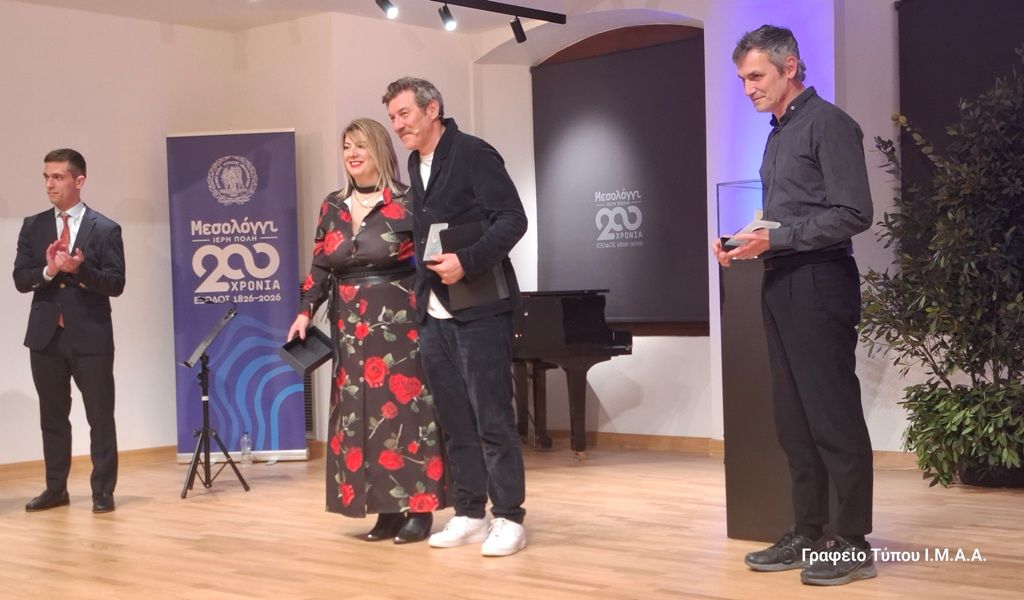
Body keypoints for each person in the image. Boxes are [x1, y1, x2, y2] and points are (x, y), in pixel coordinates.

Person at [712, 25, 876, 586]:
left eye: (756, 76)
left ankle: (851, 543)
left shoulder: (829, 124)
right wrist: (744, 238)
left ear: (790, 67)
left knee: (832, 416)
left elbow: (854, 213)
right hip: (781, 281)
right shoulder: (778, 133)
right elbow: (789, 215)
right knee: (794, 420)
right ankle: (808, 531)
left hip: (820, 283)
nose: (748, 89)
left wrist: (776, 239)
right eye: (742, 80)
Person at [383, 77, 529, 557]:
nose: (398, 125)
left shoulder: (473, 153)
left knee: (492, 419)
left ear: (432, 109)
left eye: (404, 114)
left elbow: (513, 219)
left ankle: (509, 517)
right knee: (455, 422)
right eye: (393, 117)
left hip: (480, 309)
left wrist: (467, 260)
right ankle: (469, 512)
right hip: (434, 313)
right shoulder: (415, 163)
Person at [287, 118, 448, 544]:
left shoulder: (409, 201)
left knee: (407, 413)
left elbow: (432, 259)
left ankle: (419, 507)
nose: (352, 154)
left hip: (400, 325)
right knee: (360, 416)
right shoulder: (333, 205)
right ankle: (385, 508)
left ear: (380, 150)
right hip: (349, 327)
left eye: (360, 145)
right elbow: (321, 264)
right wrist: (305, 311)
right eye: (346, 147)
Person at [13, 148, 125, 514]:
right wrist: (48, 271)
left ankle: (102, 492)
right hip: (46, 337)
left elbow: (116, 283)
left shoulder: (105, 228)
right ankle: (55, 489)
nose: (49, 184)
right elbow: (21, 279)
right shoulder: (33, 225)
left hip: (91, 337)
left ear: (79, 180)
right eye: (46, 177)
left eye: (57, 177)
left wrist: (80, 270)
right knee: (52, 417)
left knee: (100, 418)